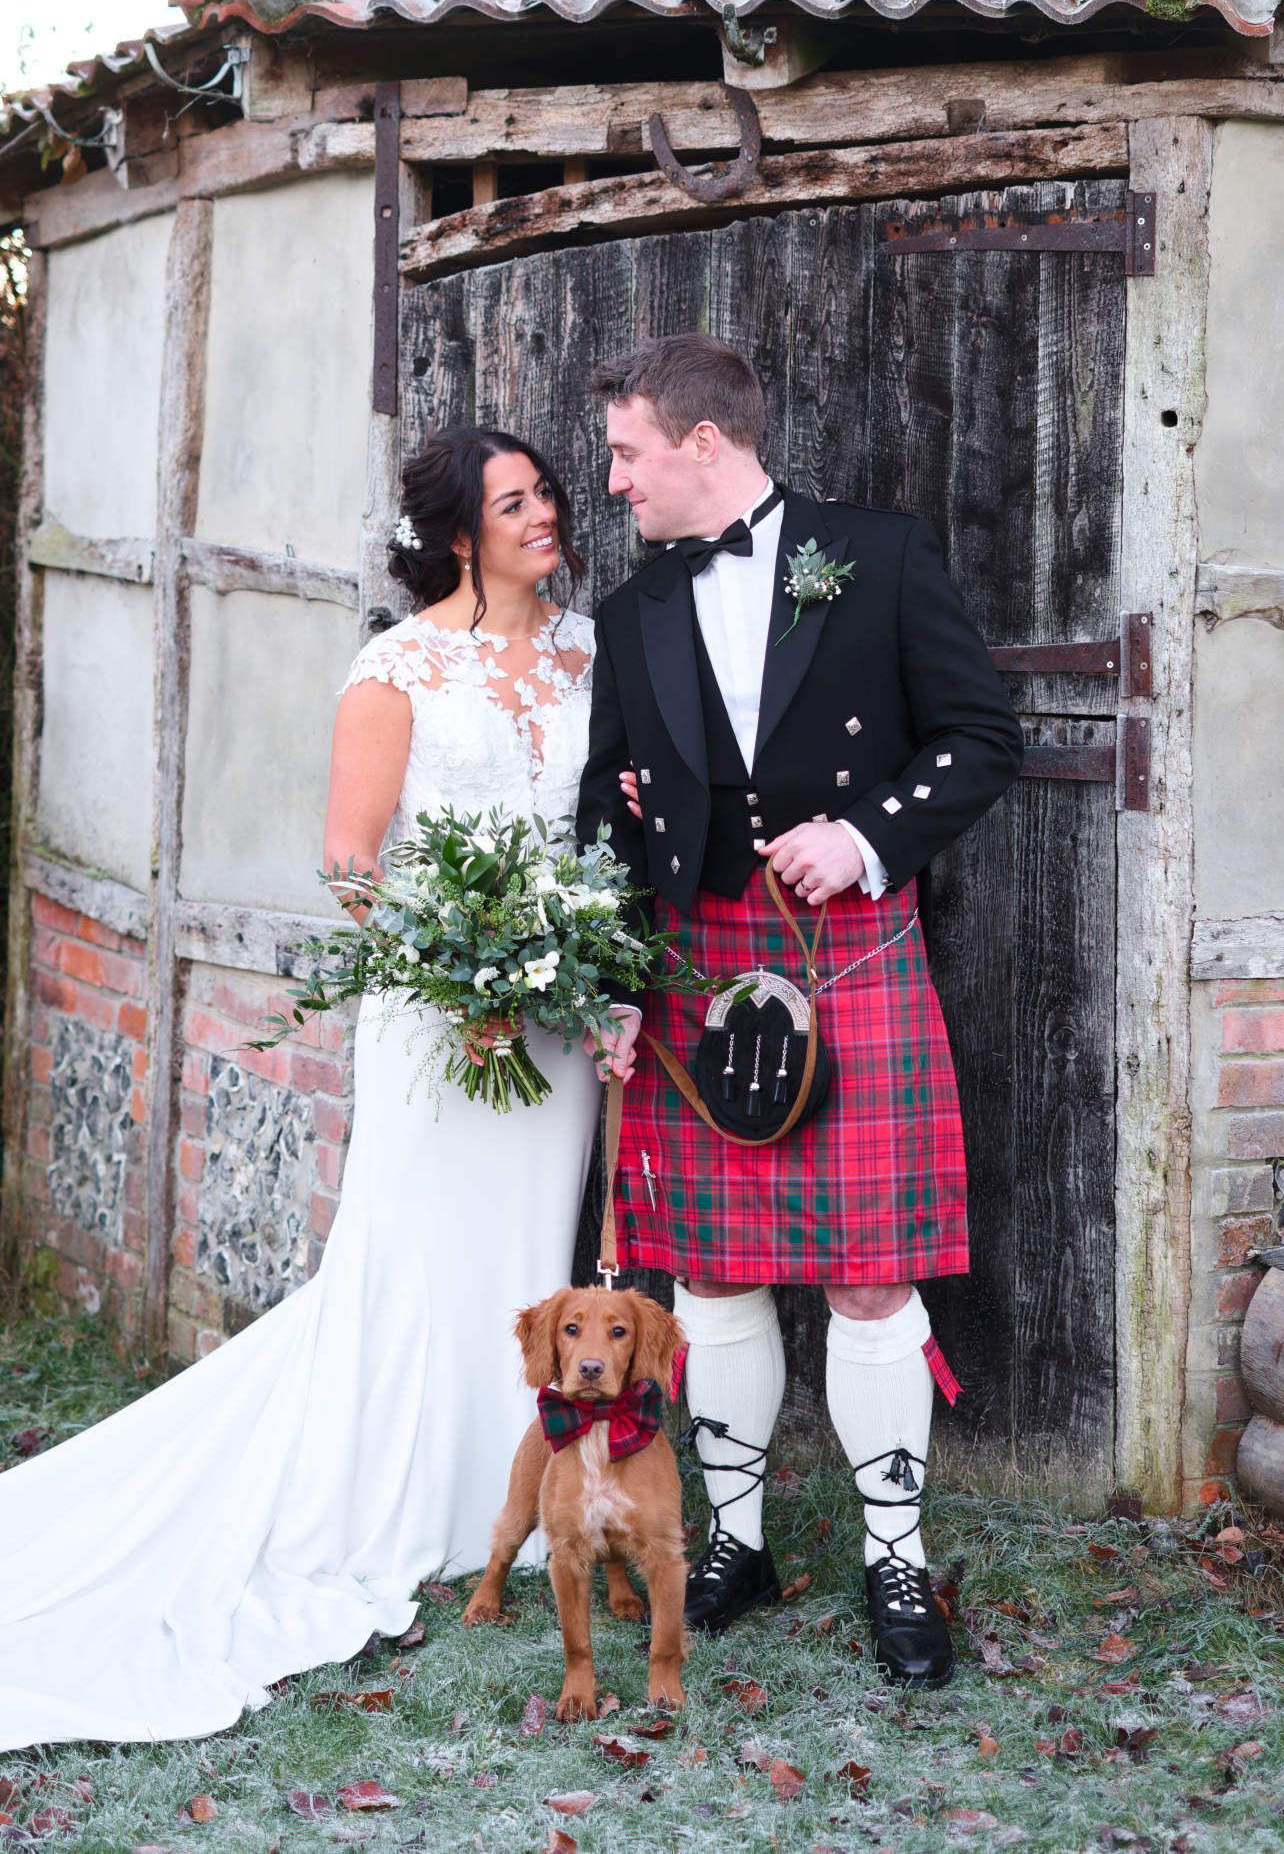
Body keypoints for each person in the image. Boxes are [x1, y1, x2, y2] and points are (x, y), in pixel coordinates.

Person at [0, 426, 602, 1748]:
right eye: (516, 503)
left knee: (526, 1256)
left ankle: (487, 1500)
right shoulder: (397, 667)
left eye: (547, 493)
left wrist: (556, 968)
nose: (546, 515)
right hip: (442, 1015)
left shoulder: (585, 650)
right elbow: (349, 858)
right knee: (411, 1250)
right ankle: (386, 1504)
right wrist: (463, 970)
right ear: (460, 533)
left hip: (551, 1020)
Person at [576, 334, 1023, 1689]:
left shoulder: (874, 556)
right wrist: (611, 970)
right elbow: (607, 801)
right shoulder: (634, 609)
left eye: (627, 454)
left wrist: (870, 836)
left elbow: (979, 736)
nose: (613, 484)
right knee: (710, 1272)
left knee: (870, 1274)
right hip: (699, 961)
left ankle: (896, 1555)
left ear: (703, 443)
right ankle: (738, 1540)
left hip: (847, 950)